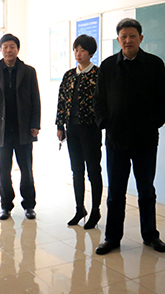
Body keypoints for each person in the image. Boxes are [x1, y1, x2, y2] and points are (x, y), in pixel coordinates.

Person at [93, 18, 165, 255]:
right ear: (118, 40)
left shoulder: (154, 64)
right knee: (115, 193)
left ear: (141, 38)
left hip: (145, 140)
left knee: (146, 190)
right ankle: (112, 238)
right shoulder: (108, 66)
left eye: (132, 36)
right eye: (123, 37)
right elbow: (98, 100)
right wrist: (105, 123)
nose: (128, 40)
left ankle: (150, 236)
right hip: (116, 140)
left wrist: (153, 122)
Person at [0, 33, 41, 220]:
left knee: (26, 170)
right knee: (3, 171)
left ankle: (29, 205)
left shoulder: (28, 72)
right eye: (5, 47)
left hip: (23, 129)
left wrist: (35, 124)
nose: (8, 50)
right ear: (1, 50)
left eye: (12, 47)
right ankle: (5, 206)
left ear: (18, 49)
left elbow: (35, 99)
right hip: (1, 131)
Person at [55, 34, 103, 228]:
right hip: (72, 129)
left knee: (93, 171)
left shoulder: (98, 74)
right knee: (77, 171)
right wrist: (60, 125)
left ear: (91, 53)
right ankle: (79, 208)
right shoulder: (69, 75)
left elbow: (103, 102)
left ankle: (96, 210)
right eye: (76, 50)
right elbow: (61, 101)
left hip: (91, 129)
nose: (78, 53)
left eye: (82, 50)